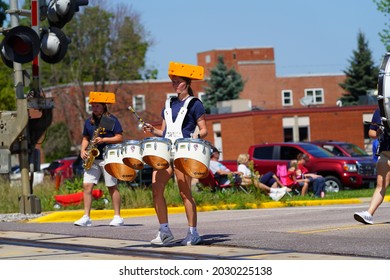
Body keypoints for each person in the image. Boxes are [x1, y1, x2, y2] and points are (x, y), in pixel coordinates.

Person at [143, 61, 207, 246]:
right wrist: (152, 130)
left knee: (184, 193)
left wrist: (196, 134)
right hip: (165, 152)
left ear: (186, 83)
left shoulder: (195, 104)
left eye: (178, 81)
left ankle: (193, 232)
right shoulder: (168, 104)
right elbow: (164, 132)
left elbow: (204, 130)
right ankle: (164, 231)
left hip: (183, 152)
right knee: (156, 189)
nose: (174, 84)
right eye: (173, 81)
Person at [74, 92, 124, 227]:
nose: (94, 108)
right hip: (93, 157)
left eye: (97, 106)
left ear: (103, 106)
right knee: (87, 186)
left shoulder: (110, 120)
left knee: (112, 186)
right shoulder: (89, 122)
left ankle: (117, 216)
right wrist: (83, 150)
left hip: (108, 157)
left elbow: (119, 137)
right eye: (93, 106)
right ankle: (86, 217)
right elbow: (85, 138)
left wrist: (104, 139)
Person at [354, 108, 389, 224]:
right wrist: (378, 132)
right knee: (381, 185)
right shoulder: (380, 110)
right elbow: (371, 132)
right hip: (385, 153)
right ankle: (369, 214)